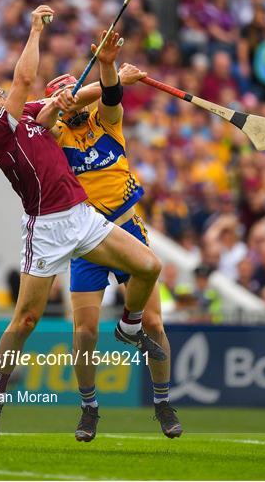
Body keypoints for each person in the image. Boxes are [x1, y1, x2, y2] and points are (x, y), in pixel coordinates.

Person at [0, 5, 164, 440]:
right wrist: (33, 31)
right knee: (25, 321)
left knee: (149, 266)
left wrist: (109, 81)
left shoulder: (24, 115)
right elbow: (25, 82)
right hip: (45, 230)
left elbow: (57, 103)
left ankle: (128, 325)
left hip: (84, 218)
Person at [45, 31, 182, 441]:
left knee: (154, 325)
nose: (73, 103)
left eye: (74, 94)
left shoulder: (107, 122)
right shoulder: (55, 140)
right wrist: (58, 103)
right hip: (87, 241)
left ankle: (162, 402)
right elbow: (41, 122)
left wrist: (107, 64)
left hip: (127, 230)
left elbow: (109, 94)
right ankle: (89, 408)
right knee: (84, 333)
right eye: (65, 97)